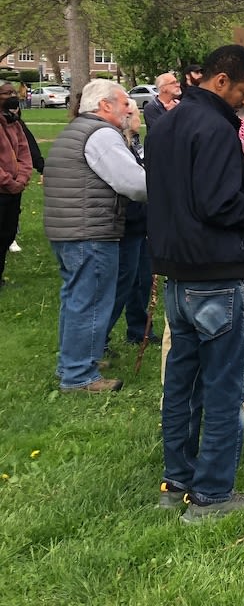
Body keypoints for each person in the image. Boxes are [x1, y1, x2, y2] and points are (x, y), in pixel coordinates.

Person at [147, 45, 244, 521]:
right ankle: (212, 495)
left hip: (179, 274)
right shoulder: (214, 128)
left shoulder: (166, 123)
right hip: (218, 275)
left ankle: (177, 481)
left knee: (182, 383)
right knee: (221, 387)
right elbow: (222, 205)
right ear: (221, 80)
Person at [44, 80, 147, 393]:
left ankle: (76, 361)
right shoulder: (101, 134)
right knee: (89, 301)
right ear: (105, 105)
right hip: (89, 231)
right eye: (123, 103)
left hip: (70, 229)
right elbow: (135, 184)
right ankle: (78, 375)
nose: (128, 109)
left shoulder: (77, 129)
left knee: (76, 298)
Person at [106, 98, 155, 347]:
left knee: (142, 280)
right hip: (127, 223)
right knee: (123, 283)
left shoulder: (136, 144)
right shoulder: (119, 146)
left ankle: (139, 329)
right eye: (136, 113)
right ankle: (99, 339)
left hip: (142, 222)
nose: (139, 118)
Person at [0, 80, 33, 287]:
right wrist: (7, 181)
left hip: (14, 189)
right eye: (6, 93)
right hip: (3, 188)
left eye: (14, 92)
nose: (12, 96)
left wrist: (21, 178)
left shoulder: (14, 123)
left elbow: (24, 151)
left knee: (7, 233)